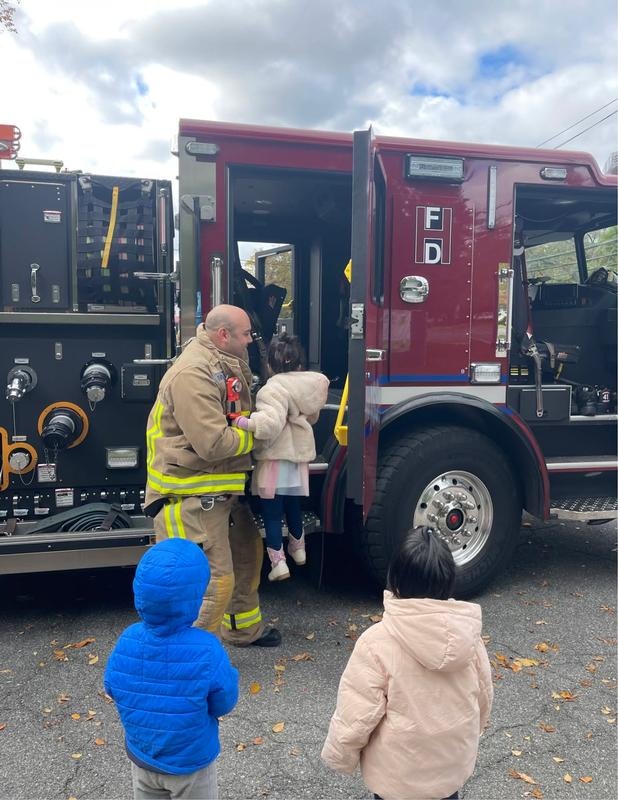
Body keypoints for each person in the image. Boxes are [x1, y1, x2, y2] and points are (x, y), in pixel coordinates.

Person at [321, 526, 493, 800]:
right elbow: (483, 698)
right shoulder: (469, 638)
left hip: (397, 778)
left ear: (395, 581)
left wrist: (340, 756)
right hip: (448, 773)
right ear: (449, 581)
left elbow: (356, 714)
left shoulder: (376, 643)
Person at [144, 303, 280, 647]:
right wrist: (262, 431)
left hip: (218, 491)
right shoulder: (194, 373)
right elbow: (213, 443)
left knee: (248, 556)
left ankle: (242, 629)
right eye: (247, 334)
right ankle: (185, 660)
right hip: (188, 497)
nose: (251, 341)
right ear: (224, 335)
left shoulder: (220, 363)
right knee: (210, 583)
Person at [104, 537, 239, 800]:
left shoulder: (128, 639)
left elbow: (111, 687)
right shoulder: (207, 649)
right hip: (190, 763)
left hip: (143, 756)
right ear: (195, 598)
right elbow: (224, 701)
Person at [233, 333, 329, 581]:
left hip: (275, 458)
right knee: (293, 505)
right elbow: (312, 417)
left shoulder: (272, 388)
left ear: (269, 365)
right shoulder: (308, 386)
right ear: (300, 362)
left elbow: (269, 425)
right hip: (297, 459)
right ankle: (298, 550)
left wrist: (244, 421)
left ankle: (278, 564)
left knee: (272, 512)